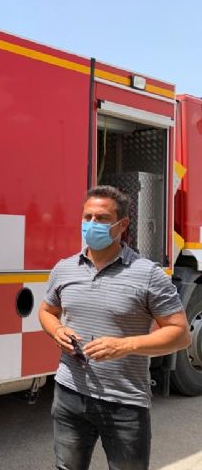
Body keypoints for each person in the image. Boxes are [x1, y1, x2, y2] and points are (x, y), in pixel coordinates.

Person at [38, 185, 191, 470]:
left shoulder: (148, 274)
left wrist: (125, 345)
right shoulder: (64, 268)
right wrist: (56, 330)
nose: (92, 224)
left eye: (102, 218)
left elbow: (180, 334)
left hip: (124, 403)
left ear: (122, 225)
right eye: (88, 217)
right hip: (69, 394)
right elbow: (47, 311)